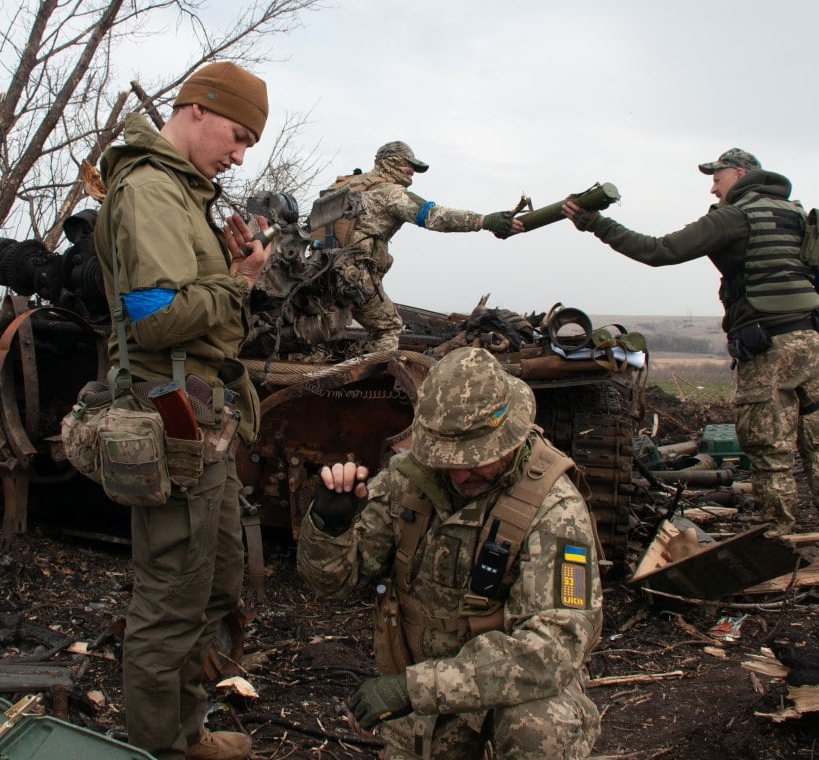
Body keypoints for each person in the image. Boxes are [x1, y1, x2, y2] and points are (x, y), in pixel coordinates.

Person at [93, 61, 274, 760]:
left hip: (205, 419)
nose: (239, 154)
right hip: (171, 419)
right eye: (237, 135)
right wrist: (238, 283)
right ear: (196, 110)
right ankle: (163, 750)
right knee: (171, 600)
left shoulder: (185, 193)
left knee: (217, 580)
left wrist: (229, 273)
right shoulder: (149, 191)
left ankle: (187, 730)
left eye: (249, 144)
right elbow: (156, 318)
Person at [296, 346, 603, 759]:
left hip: (503, 697)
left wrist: (415, 688)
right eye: (447, 458)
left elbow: (553, 649)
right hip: (424, 705)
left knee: (539, 732)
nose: (460, 474)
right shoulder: (409, 484)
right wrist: (328, 527)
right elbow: (330, 586)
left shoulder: (557, 511)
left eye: (476, 459)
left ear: (509, 437)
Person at [562, 148, 819, 534]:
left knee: (768, 445)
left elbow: (659, 250)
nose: (712, 189)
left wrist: (596, 224)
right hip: (812, 343)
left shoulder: (735, 217)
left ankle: (776, 532)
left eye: (716, 178)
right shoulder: (800, 218)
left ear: (739, 173)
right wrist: (815, 332)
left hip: (769, 347)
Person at [323, 142, 525, 351]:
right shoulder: (390, 193)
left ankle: (317, 362)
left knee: (322, 335)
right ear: (389, 162)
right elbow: (434, 216)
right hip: (354, 278)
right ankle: (368, 374)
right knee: (388, 327)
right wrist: (484, 221)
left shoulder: (346, 185)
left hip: (322, 274)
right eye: (407, 164)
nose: (413, 172)